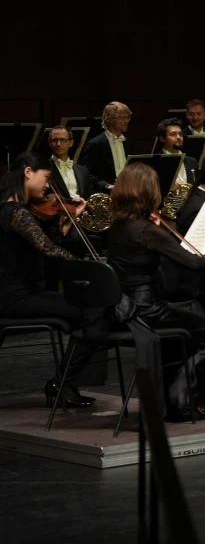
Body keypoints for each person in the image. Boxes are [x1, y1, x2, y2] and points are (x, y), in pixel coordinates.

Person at [106, 163, 205, 420]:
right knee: (201, 326)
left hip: (121, 310)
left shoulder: (116, 225)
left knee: (178, 333)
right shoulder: (147, 230)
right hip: (147, 311)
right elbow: (191, 262)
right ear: (149, 192)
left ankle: (171, 400)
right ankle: (180, 402)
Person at [0, 153, 109, 408]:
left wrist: (64, 230)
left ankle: (64, 384)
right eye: (46, 177)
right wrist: (91, 268)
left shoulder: (12, 210)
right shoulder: (16, 212)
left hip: (17, 292)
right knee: (94, 311)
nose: (48, 185)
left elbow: (43, 250)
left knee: (88, 312)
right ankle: (63, 384)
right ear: (28, 172)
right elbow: (49, 251)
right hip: (15, 296)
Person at [80, 101, 133, 186]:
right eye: (122, 118)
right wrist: (107, 186)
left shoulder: (128, 142)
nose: (126, 121)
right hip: (106, 193)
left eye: (128, 117)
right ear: (110, 119)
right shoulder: (95, 144)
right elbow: (87, 175)